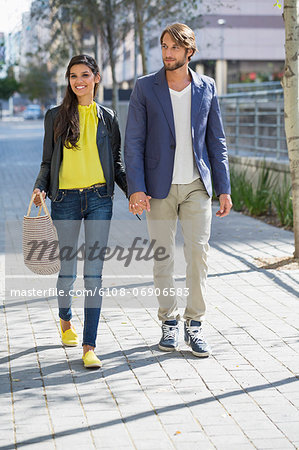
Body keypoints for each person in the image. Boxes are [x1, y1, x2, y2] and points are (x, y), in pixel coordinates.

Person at [124, 23, 232, 357]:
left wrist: (224, 187)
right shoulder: (145, 88)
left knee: (198, 255)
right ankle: (168, 322)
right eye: (164, 46)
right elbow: (134, 142)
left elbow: (217, 140)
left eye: (174, 47)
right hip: (158, 189)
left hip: (197, 186)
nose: (168, 53)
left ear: (189, 51)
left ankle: (195, 324)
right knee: (163, 259)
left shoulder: (206, 87)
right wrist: (136, 189)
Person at [33, 54, 127, 368]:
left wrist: (135, 193)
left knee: (94, 275)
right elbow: (47, 162)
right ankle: (65, 320)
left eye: (85, 75)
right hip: (65, 201)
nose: (79, 81)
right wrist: (40, 187)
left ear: (96, 78)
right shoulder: (55, 116)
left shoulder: (108, 117)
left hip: (100, 198)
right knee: (68, 272)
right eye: (73, 76)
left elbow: (116, 165)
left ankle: (89, 346)